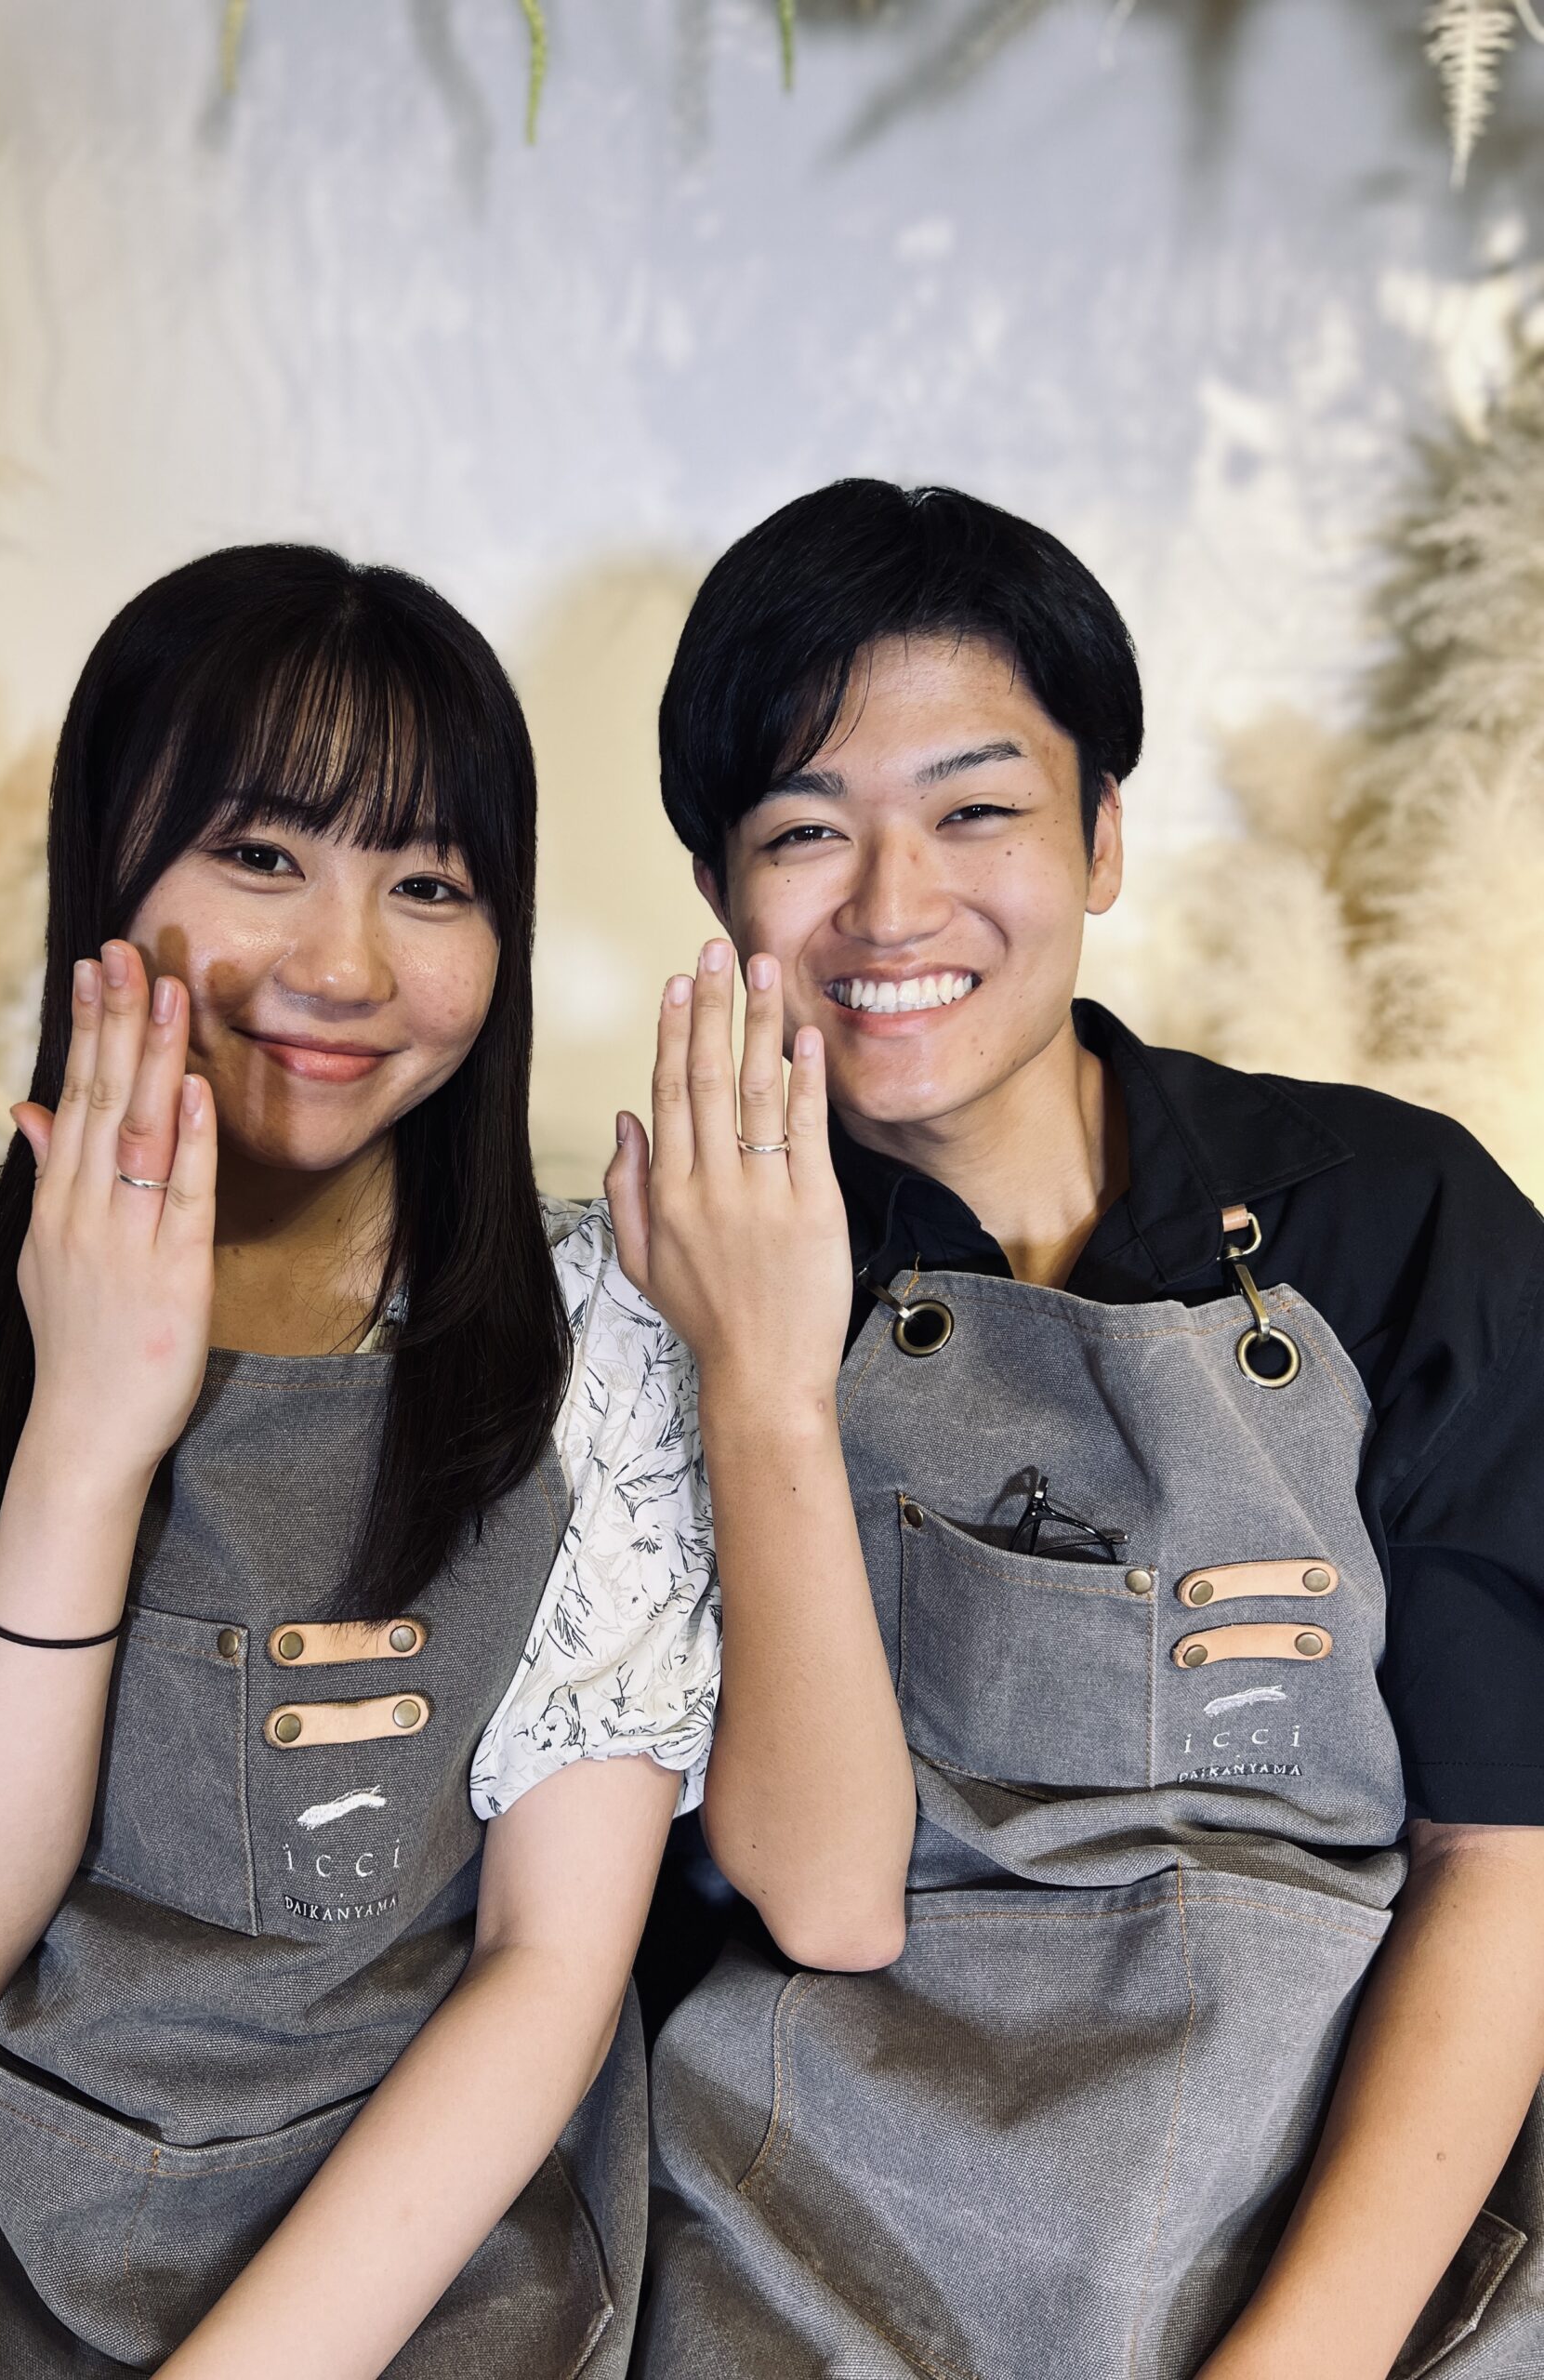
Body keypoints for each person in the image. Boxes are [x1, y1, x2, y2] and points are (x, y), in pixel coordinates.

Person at [609, 481, 1544, 2379]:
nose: (892, 906)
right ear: (720, 889)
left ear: (1103, 834)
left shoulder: (1393, 1219)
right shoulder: (646, 1283)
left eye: (976, 810)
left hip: (1352, 2228)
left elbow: (1502, 1856)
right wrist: (759, 1379)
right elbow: (804, 1890)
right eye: (806, 829)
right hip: (818, 2240)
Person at [0, 546, 716, 2378]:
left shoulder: (599, 1328)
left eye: (428, 884)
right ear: (107, 865)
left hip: (408, 2237)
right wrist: (87, 1431)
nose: (343, 966)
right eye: (262, 856)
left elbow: (547, 1966)